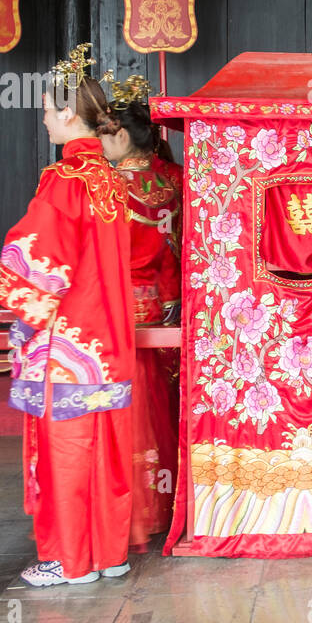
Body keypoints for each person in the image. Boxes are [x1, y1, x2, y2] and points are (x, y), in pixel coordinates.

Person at [0, 43, 135, 587]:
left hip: (70, 343)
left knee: (67, 451)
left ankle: (70, 560)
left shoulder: (63, 179)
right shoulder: (111, 182)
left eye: (50, 110)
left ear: (69, 113)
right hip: (109, 337)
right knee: (107, 449)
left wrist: (14, 281)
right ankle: (108, 553)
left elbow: (38, 257)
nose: (47, 120)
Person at [98, 74, 180, 552]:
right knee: (164, 406)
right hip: (172, 307)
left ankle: (133, 510)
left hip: (123, 309)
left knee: (131, 411)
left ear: (123, 135)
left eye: (105, 133)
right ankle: (170, 501)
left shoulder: (109, 186)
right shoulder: (174, 178)